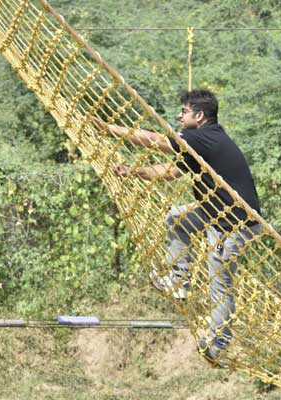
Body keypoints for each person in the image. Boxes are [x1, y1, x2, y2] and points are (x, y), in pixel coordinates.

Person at [95, 90, 261, 365]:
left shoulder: (203, 137)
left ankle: (219, 344)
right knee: (176, 218)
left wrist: (111, 129)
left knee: (219, 281)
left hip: (234, 223)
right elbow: (170, 172)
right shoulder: (198, 146)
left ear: (199, 116)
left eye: (184, 111)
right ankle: (179, 280)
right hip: (214, 213)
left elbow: (156, 141)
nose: (179, 116)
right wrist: (133, 172)